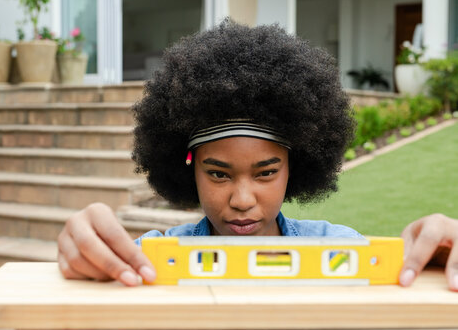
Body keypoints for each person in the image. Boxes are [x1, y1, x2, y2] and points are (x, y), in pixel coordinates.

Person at [57, 20, 458, 291]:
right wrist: (87, 253)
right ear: (189, 167)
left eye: (265, 173)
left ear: (293, 166)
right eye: (218, 174)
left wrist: (438, 259)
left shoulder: (342, 251)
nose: (243, 200)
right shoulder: (153, 262)